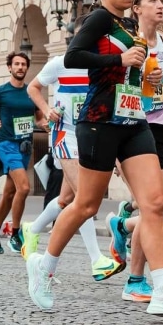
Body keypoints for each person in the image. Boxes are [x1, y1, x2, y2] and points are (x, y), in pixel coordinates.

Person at [25, 0, 163, 316]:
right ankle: (44, 266)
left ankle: (162, 289)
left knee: (153, 204)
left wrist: (151, 82)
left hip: (134, 121)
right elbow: (73, 56)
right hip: (100, 122)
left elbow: (132, 72)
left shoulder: (128, 24)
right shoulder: (99, 19)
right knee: (86, 205)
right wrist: (120, 59)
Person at [108, 0, 163, 299]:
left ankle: (123, 226)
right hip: (134, 130)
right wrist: (142, 78)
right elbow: (115, 85)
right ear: (137, 8)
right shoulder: (128, 43)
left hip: (162, 129)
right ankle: (136, 281)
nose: (160, 5)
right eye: (153, 0)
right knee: (151, 209)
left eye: (162, 0)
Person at [22, 54, 122, 283]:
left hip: (90, 136)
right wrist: (47, 110)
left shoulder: (104, 65)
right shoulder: (61, 63)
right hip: (65, 135)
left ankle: (32, 229)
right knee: (83, 198)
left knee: (65, 199)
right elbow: (33, 87)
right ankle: (97, 260)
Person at [0, 52, 41, 254]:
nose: (20, 67)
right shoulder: (0, 92)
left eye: (23, 64)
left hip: (25, 146)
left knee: (9, 193)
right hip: (7, 145)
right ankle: (15, 233)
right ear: (9, 67)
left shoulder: (32, 91)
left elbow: (39, 117)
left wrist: (45, 124)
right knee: (24, 187)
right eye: (16, 64)